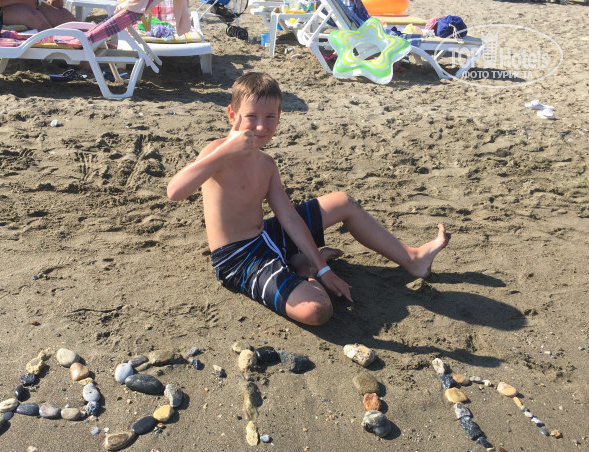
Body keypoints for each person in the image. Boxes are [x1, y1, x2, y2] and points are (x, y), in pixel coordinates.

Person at [167, 72, 450, 326]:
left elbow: (289, 218)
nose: (262, 127)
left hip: (266, 235)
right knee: (316, 310)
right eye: (252, 116)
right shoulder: (216, 152)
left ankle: (412, 259)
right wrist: (225, 152)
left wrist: (326, 270)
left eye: (270, 117)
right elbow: (175, 192)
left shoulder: (266, 164)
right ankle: (304, 268)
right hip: (239, 259)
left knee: (342, 202)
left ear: (280, 117)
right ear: (232, 115)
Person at [0, 0, 75, 31]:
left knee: (65, 17)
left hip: (31, 4)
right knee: (33, 17)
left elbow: (56, 3)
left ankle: (84, 59)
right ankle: (56, 52)